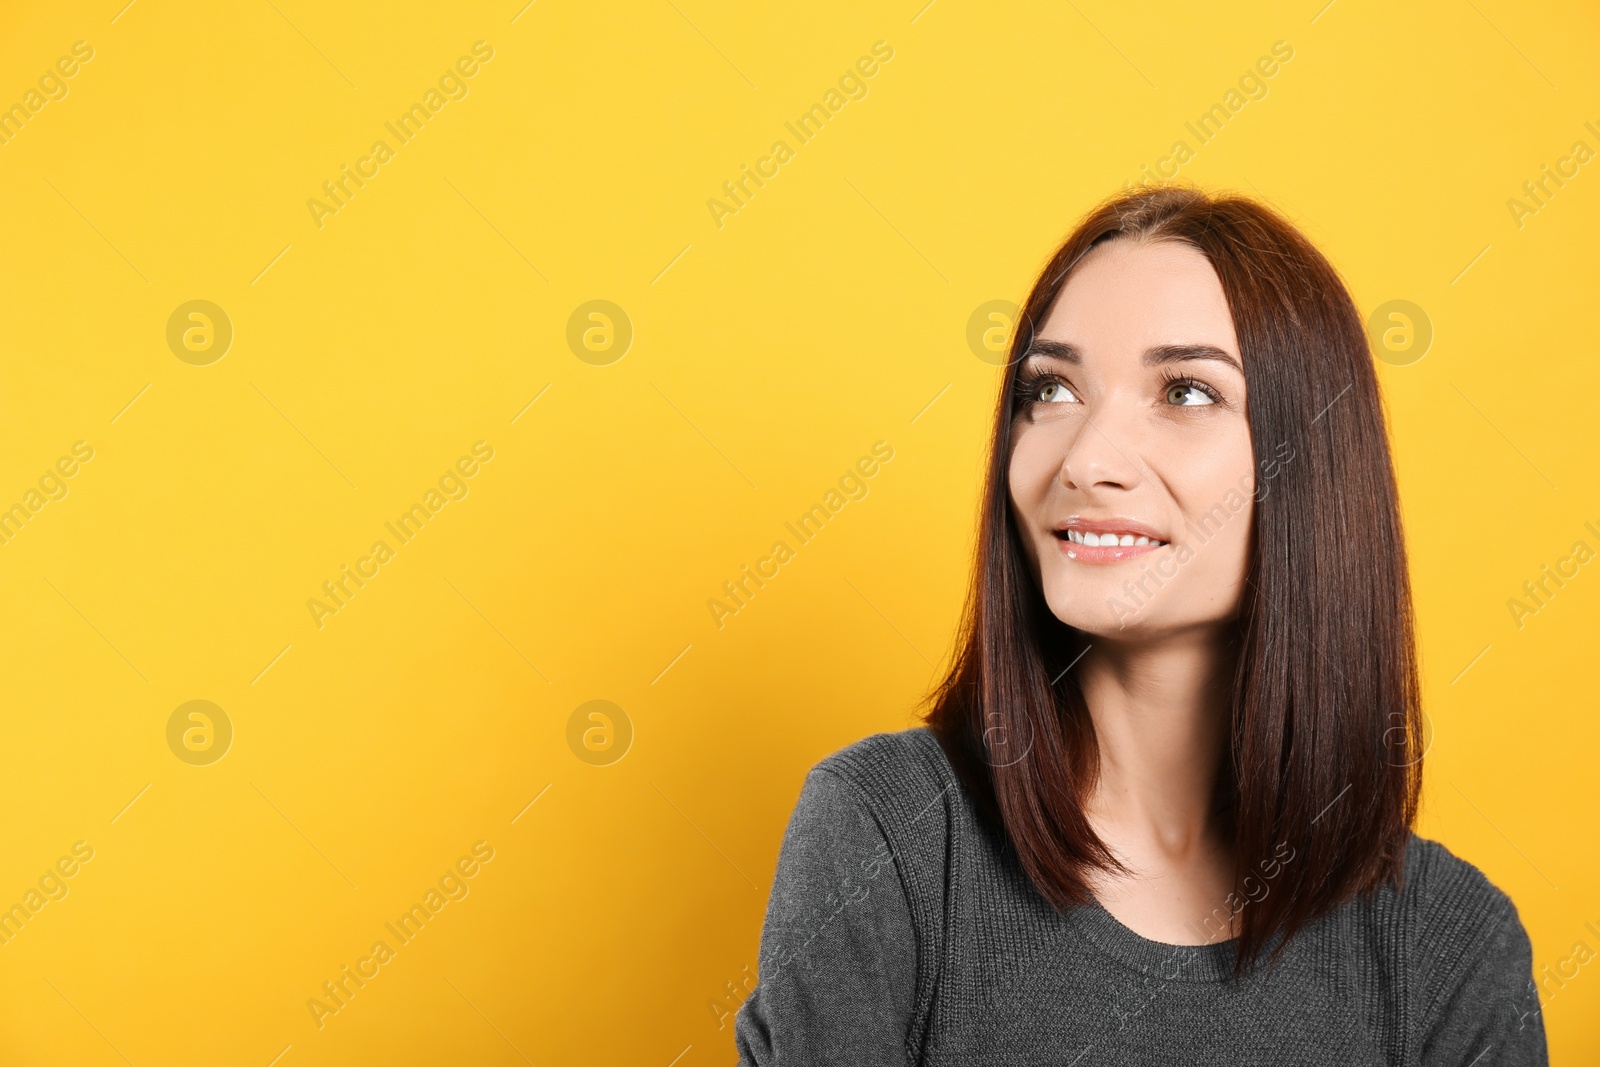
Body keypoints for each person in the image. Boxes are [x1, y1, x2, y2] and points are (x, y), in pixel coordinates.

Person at [732, 184, 1549, 1065]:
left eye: (1187, 392)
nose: (1085, 459)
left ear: (1308, 464)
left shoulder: (1451, 949)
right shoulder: (886, 837)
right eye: (1051, 388)